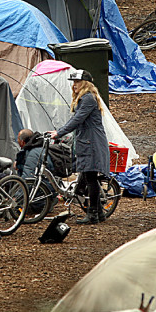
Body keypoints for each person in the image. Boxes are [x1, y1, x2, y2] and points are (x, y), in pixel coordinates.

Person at [47, 70, 109, 224]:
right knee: (88, 177)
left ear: (86, 83)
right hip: (88, 141)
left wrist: (59, 133)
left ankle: (93, 214)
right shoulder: (85, 98)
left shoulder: (87, 98)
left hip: (92, 143)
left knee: (91, 178)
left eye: (77, 82)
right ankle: (99, 213)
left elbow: (77, 119)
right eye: (73, 82)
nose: (74, 85)